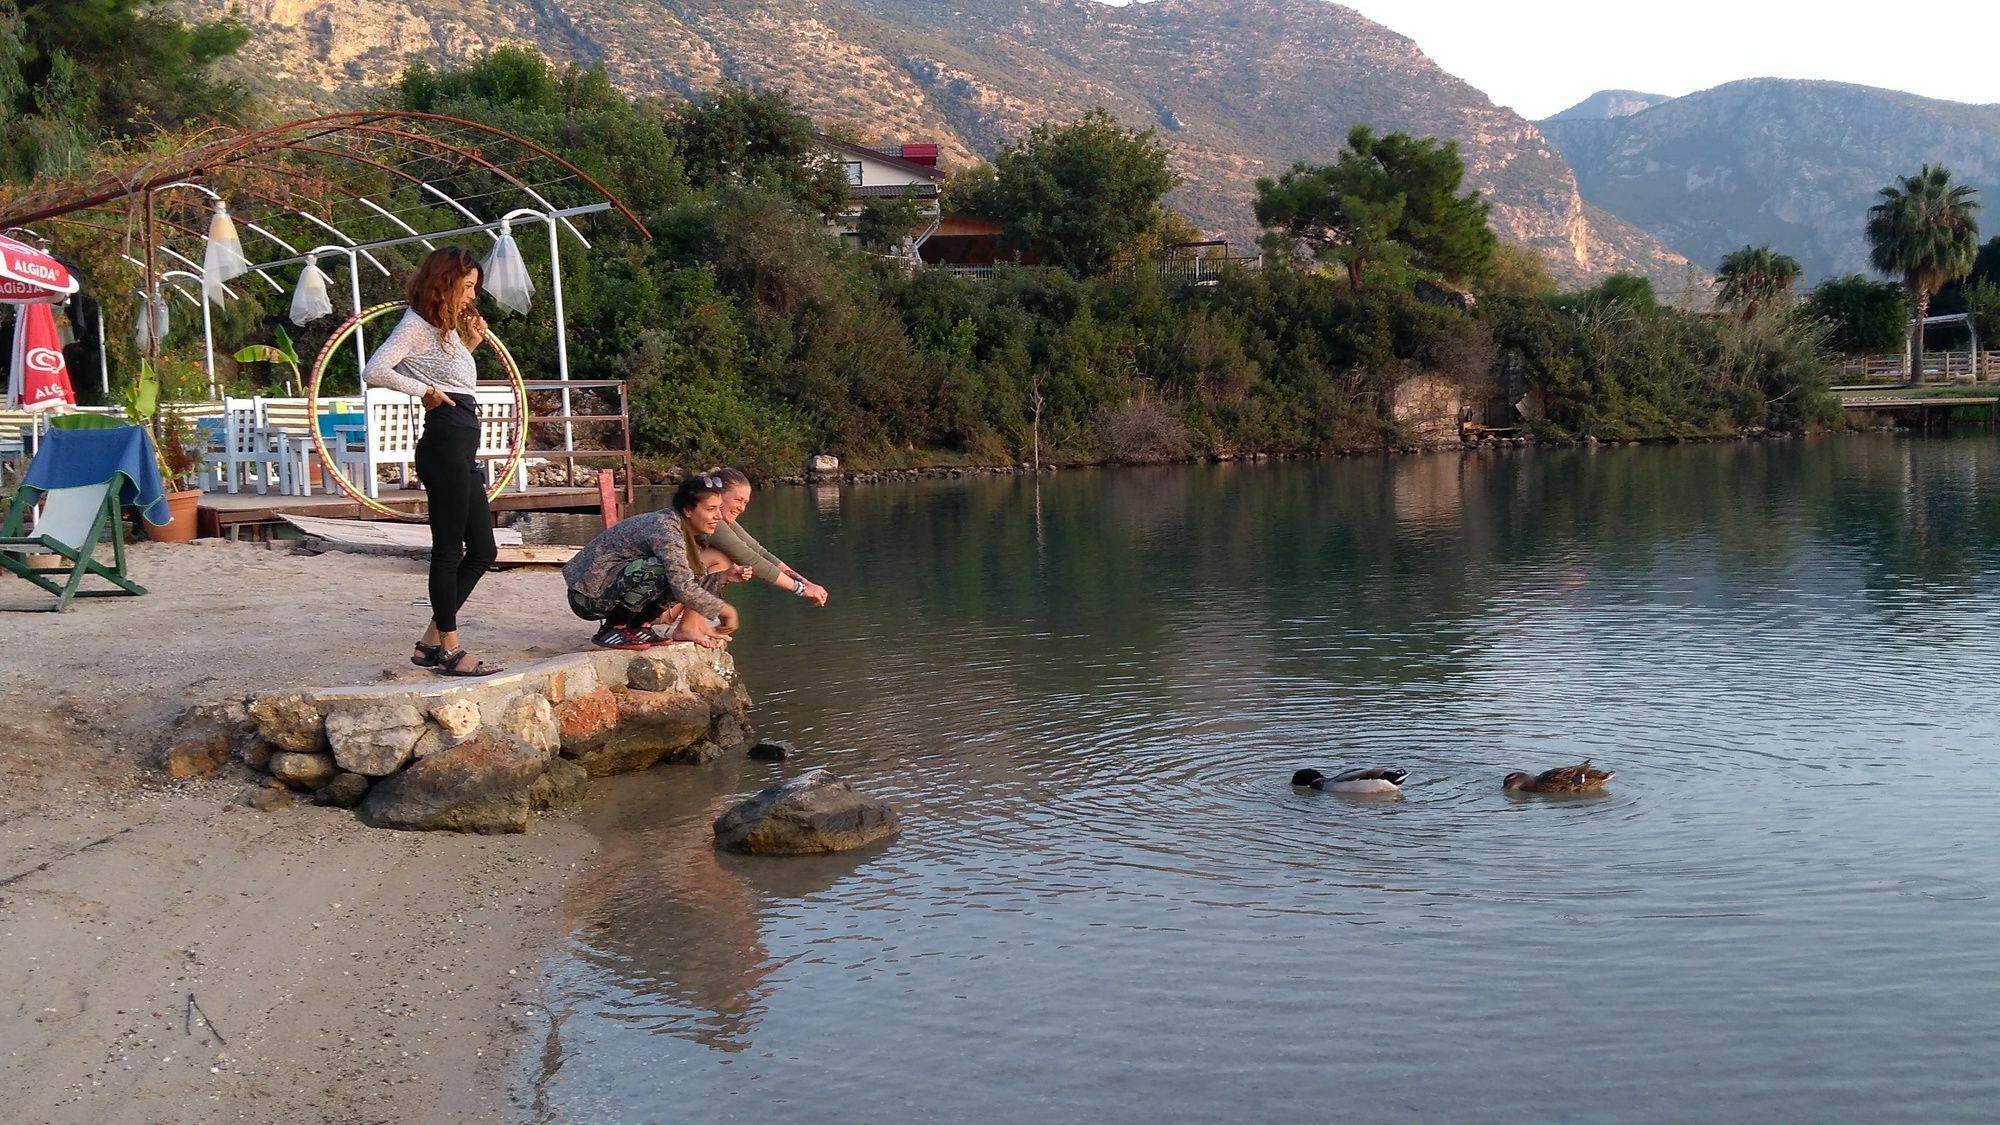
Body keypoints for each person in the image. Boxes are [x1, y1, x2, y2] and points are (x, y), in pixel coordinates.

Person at [362, 246, 502, 677]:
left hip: (461, 439)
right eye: (468, 287)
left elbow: (454, 379)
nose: (472, 297)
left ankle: (429, 643)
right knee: (448, 548)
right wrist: (422, 391)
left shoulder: (445, 329)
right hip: (444, 440)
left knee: (483, 549)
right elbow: (374, 370)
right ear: (447, 281)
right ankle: (451, 649)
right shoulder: (416, 326)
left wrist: (472, 343)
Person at [563, 473, 742, 650]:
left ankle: (639, 625)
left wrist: (721, 577)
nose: (718, 516)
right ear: (688, 510)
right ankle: (612, 629)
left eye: (719, 508)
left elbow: (689, 578)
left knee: (685, 570)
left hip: (605, 591)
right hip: (587, 598)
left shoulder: (686, 529)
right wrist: (726, 610)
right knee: (662, 570)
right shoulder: (666, 528)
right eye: (711, 509)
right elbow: (682, 585)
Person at [700, 467, 830, 607]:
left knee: (726, 562)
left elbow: (760, 553)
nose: (742, 508)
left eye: (745, 502)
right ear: (717, 495)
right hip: (676, 588)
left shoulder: (724, 521)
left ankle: (694, 617)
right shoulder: (708, 519)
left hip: (683, 586)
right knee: (722, 558)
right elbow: (748, 557)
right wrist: (801, 589)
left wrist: (807, 584)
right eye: (738, 500)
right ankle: (690, 620)